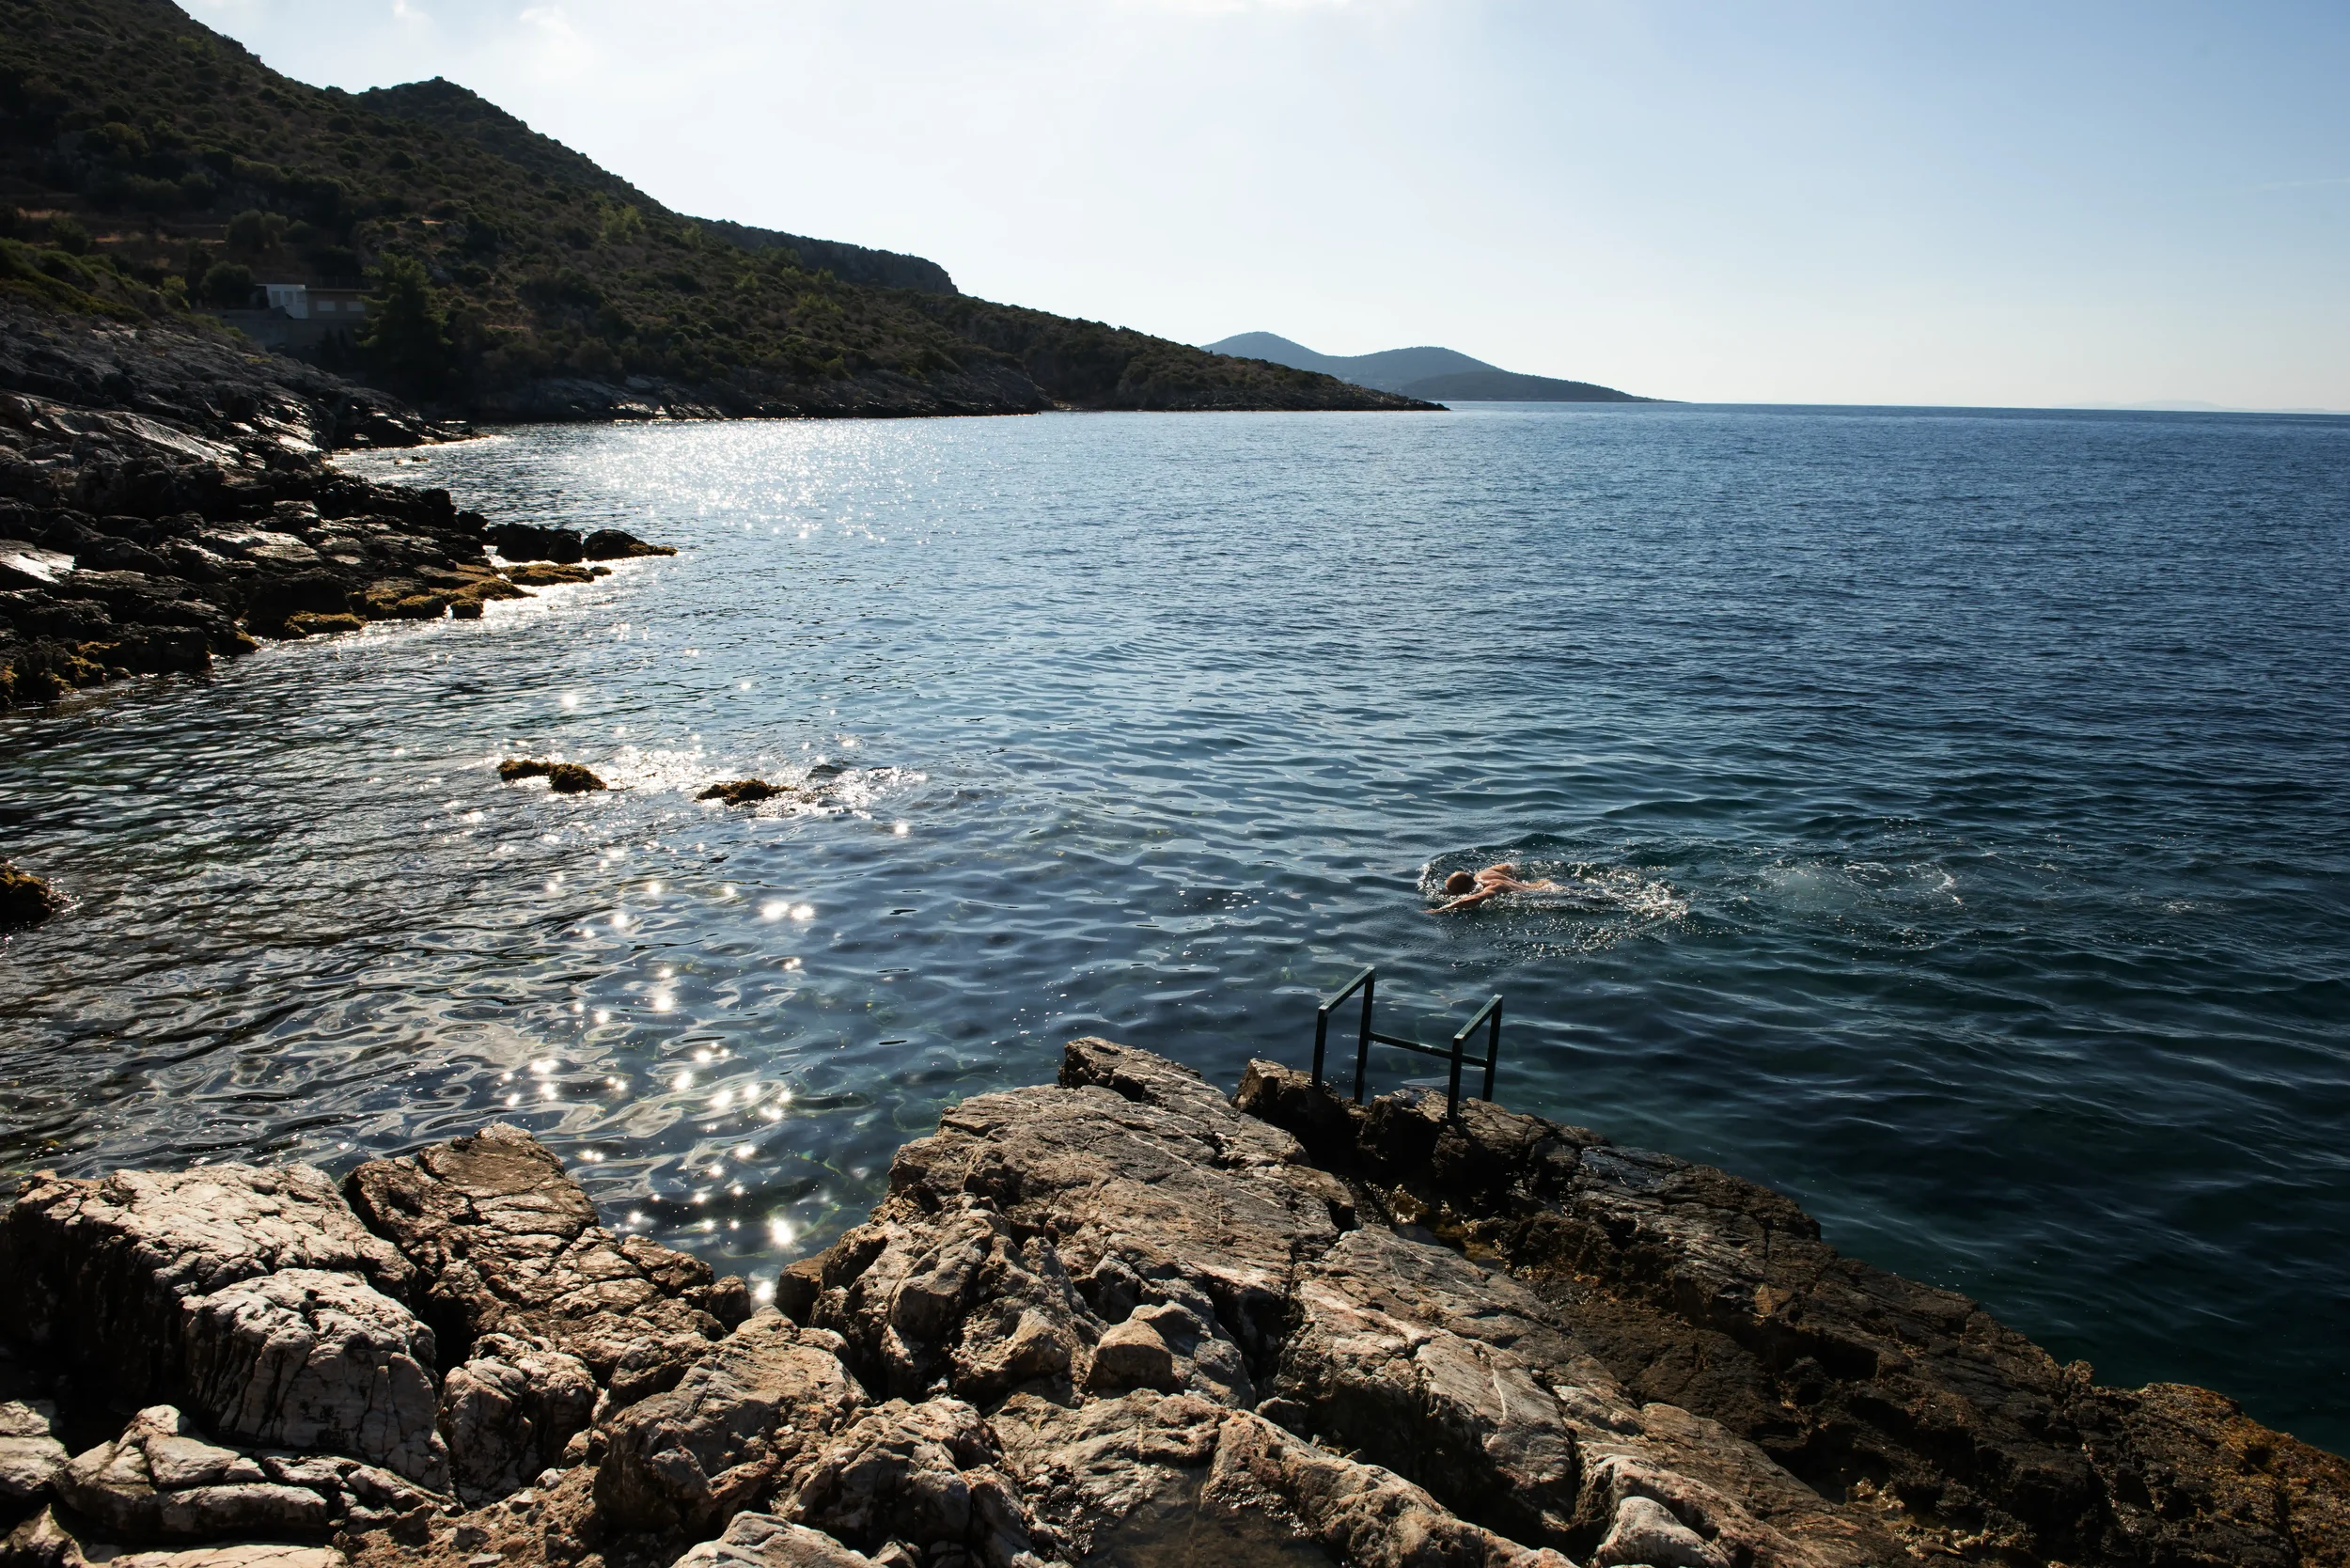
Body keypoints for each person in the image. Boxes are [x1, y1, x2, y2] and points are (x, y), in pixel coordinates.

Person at [1427, 861, 1561, 914]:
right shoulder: (1483, 874)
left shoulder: (1492, 887)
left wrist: (1440, 910)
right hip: (1543, 883)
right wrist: (1515, 880)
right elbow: (1508, 866)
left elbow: (1475, 898)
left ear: (1466, 890)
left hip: (1550, 893)